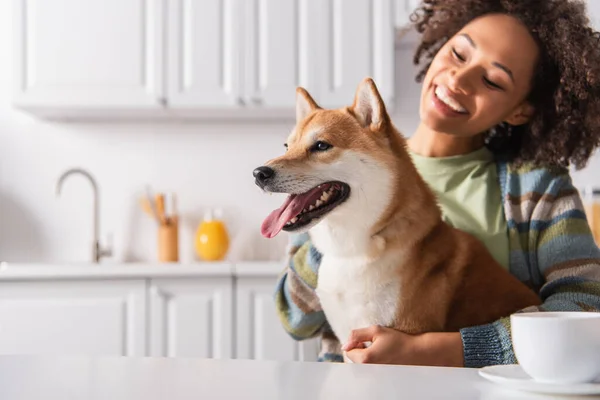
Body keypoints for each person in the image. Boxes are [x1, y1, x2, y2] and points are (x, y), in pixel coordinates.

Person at [273, 0, 600, 368]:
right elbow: (295, 319)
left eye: (492, 80)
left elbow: (586, 306)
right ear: (441, 43)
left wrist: (445, 349)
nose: (457, 80)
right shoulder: (337, 174)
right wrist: (339, 224)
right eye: (458, 54)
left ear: (519, 110)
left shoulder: (539, 189)